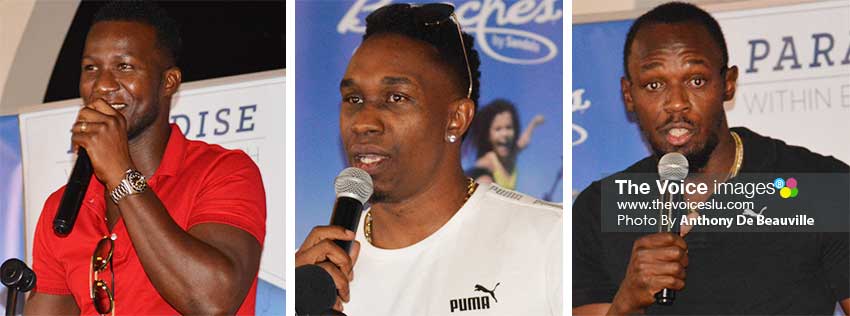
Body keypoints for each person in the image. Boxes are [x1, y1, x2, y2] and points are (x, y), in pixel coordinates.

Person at [572, 2, 849, 315]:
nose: (676, 103)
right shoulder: (600, 208)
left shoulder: (820, 188)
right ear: (628, 94)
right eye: (654, 84)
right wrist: (626, 302)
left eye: (696, 80)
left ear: (728, 84)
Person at [295, 3, 562, 315]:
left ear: (456, 119)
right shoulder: (313, 279)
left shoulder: (549, 239)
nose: (363, 122)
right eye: (353, 99)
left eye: (396, 98)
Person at [25, 2, 266, 315]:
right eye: (90, 68)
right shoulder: (63, 208)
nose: (102, 84)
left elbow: (212, 301)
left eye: (124, 66)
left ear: (169, 82)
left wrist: (121, 174)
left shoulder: (223, 172)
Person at [467, 99, 544, 190]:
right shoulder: (488, 161)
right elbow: (471, 177)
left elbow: (524, 141)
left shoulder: (513, 153)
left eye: (508, 127)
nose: (505, 134)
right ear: (488, 136)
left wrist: (534, 123)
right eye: (498, 129)